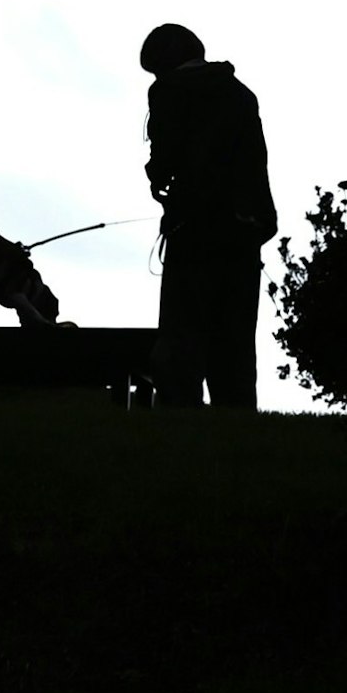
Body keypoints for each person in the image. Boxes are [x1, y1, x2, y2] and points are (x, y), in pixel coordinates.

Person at [140, 20, 275, 411]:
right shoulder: (240, 94)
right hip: (244, 232)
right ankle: (236, 424)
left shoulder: (168, 91)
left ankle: (181, 425)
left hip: (194, 231)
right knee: (234, 339)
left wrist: (157, 178)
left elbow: (166, 159)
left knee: (184, 336)